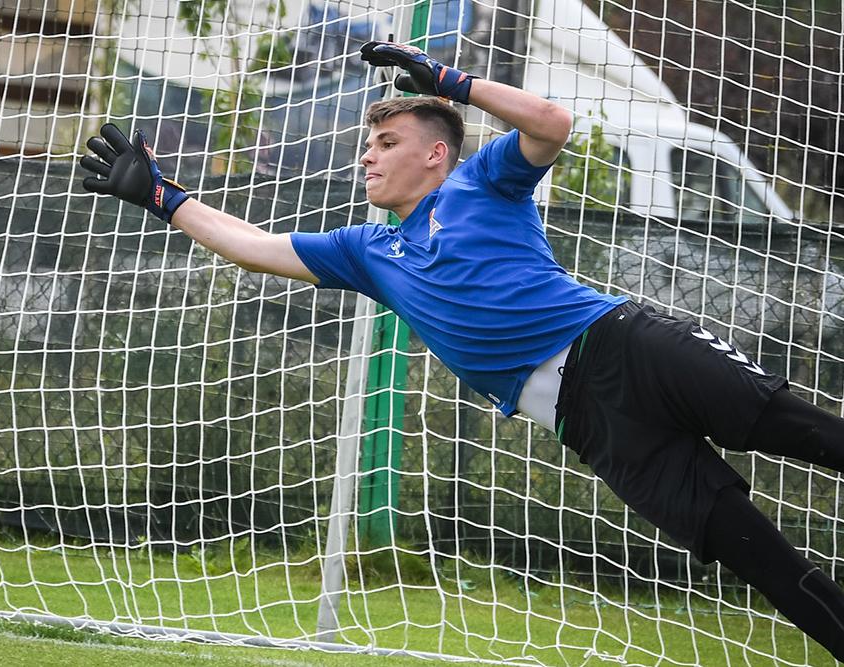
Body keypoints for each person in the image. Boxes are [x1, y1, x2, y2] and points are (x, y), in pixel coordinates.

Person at [78, 41, 844, 659]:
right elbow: (253, 246)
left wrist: (450, 81)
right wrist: (162, 197)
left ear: (435, 156)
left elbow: (550, 121)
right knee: (757, 554)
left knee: (808, 433)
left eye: (386, 142)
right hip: (590, 422)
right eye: (368, 144)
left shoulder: (482, 182)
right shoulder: (366, 250)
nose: (368, 157)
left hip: (628, 346)